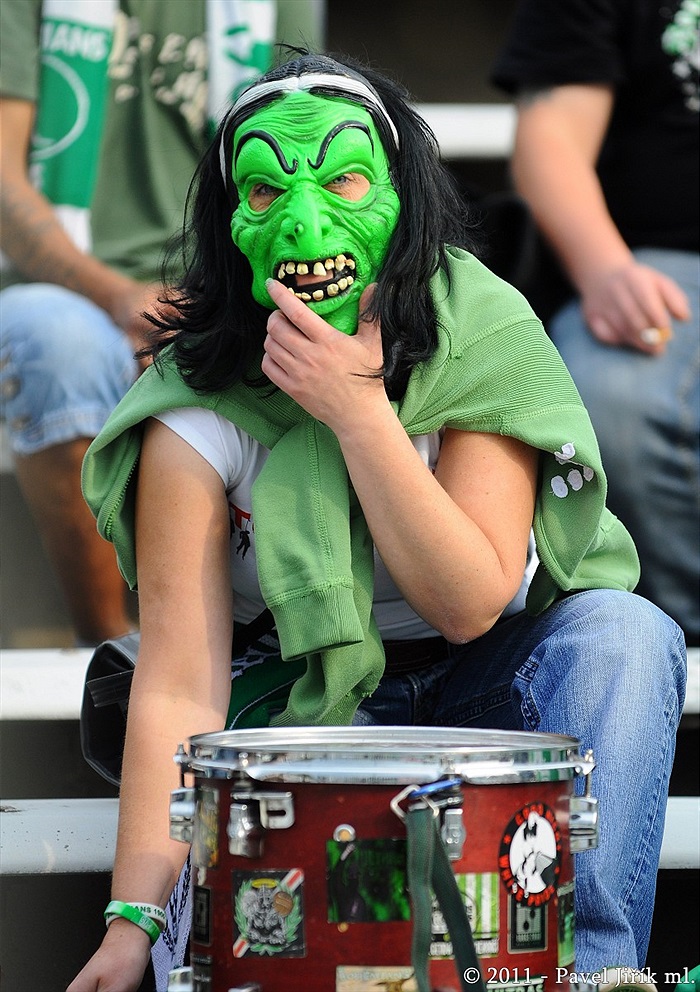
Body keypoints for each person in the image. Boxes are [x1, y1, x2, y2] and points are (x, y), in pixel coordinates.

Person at [72, 52, 685, 991]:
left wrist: (358, 410)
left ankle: (590, 976)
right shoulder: (194, 399)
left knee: (627, 631)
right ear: (232, 224)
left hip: (480, 695)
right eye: (268, 188)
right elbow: (179, 686)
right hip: (294, 707)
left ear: (403, 198)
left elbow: (471, 602)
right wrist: (127, 924)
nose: (307, 219)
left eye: (346, 176)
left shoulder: (480, 330)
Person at [0, 0, 323, 646]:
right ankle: (111, 650)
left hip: (222, 286)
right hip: (56, 285)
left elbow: (297, 179)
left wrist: (208, 311)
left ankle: (244, 652)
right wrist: (120, 298)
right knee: (61, 346)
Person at [491, 0, 700, 647]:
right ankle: (673, 637)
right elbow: (550, 139)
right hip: (655, 265)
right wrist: (605, 271)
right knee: (611, 399)